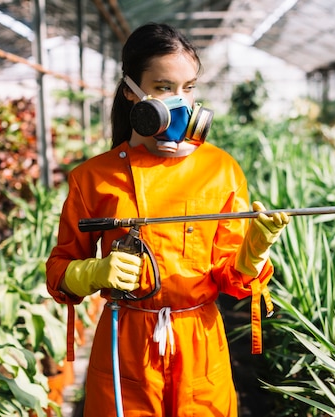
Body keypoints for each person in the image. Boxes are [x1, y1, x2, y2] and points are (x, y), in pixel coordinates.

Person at [45, 22, 289, 416]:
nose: (181, 102)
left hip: (199, 343)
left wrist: (255, 250)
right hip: (126, 345)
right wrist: (91, 272)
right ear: (131, 92)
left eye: (188, 88)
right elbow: (58, 269)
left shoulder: (220, 169)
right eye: (163, 88)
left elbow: (233, 279)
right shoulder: (94, 177)